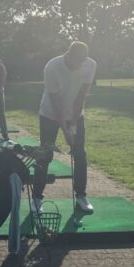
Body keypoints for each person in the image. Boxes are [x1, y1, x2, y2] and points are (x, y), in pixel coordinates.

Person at [32, 41, 97, 214]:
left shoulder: (90, 65)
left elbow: (81, 97)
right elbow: (55, 101)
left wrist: (73, 125)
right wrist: (65, 129)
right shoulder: (52, 67)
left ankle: (81, 196)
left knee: (80, 154)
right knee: (45, 154)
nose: (80, 64)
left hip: (75, 113)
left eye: (83, 61)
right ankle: (36, 198)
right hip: (49, 114)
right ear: (68, 55)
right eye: (77, 60)